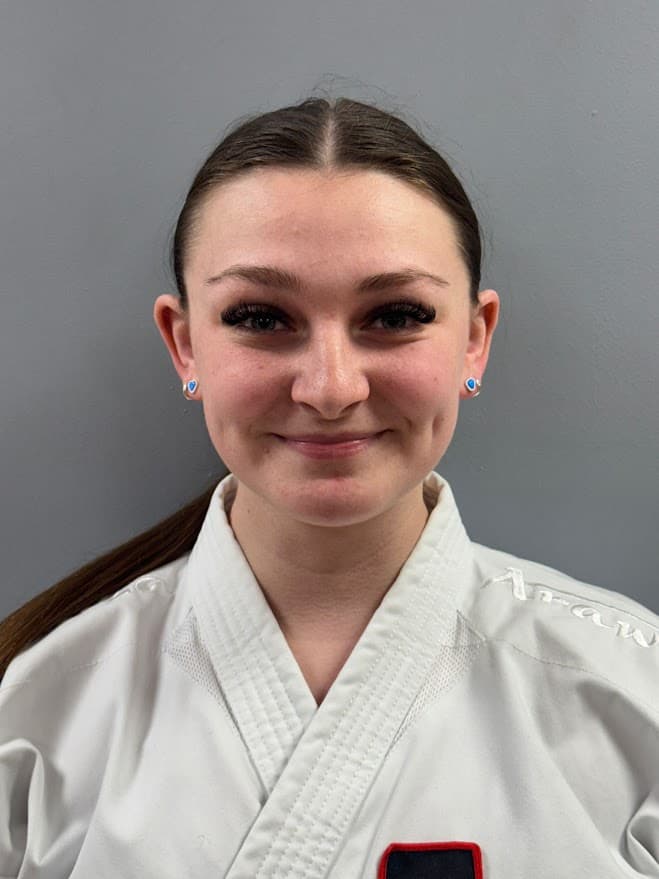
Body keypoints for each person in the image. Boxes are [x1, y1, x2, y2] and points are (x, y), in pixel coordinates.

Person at [0, 97, 657, 879]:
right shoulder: (37, 716)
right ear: (185, 345)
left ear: (473, 340)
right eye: (259, 317)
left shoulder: (634, 694)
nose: (330, 387)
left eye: (395, 314)